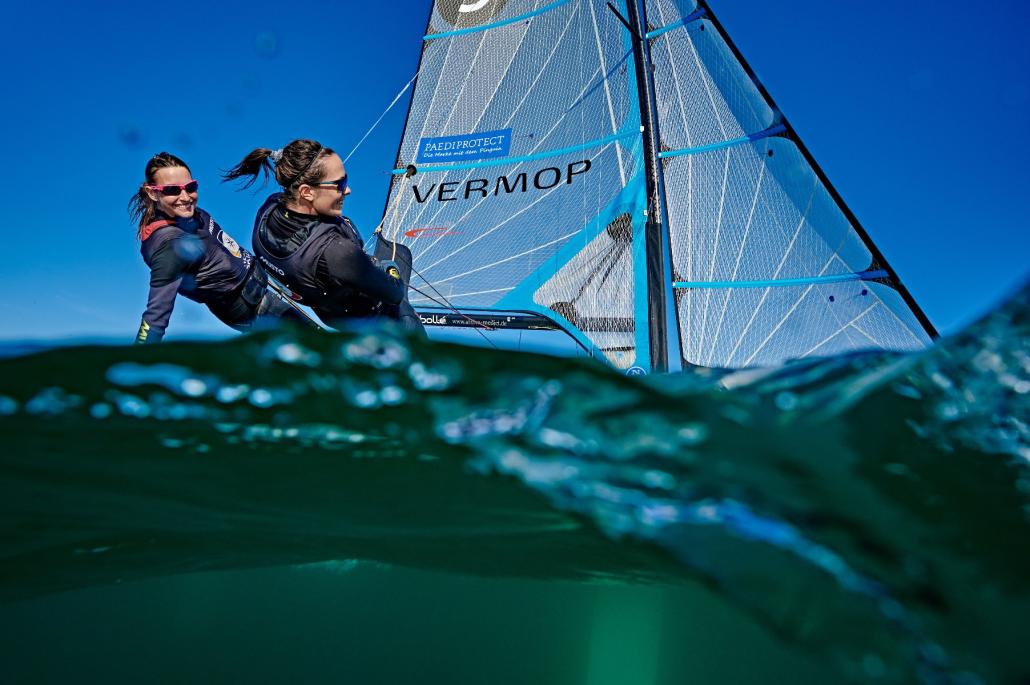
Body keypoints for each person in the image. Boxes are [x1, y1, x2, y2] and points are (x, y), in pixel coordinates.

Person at [222, 139, 423, 333]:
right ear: (307, 192)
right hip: (376, 319)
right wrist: (389, 268)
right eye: (340, 183)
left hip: (332, 312)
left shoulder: (269, 210)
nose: (348, 190)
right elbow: (394, 294)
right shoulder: (337, 252)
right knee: (400, 282)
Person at [129, 152, 308, 344]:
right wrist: (140, 359)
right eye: (172, 190)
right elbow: (156, 316)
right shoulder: (169, 246)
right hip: (256, 310)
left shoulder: (187, 214)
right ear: (153, 193)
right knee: (314, 347)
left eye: (190, 187)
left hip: (265, 286)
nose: (186, 197)